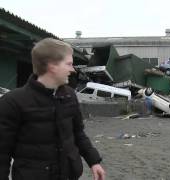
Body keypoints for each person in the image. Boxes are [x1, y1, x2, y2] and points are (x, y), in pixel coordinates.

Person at [0, 38, 105, 180]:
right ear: (52, 66)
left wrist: (94, 161)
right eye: (69, 64)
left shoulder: (70, 95)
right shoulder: (12, 102)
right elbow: (2, 151)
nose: (72, 69)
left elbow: (78, 133)